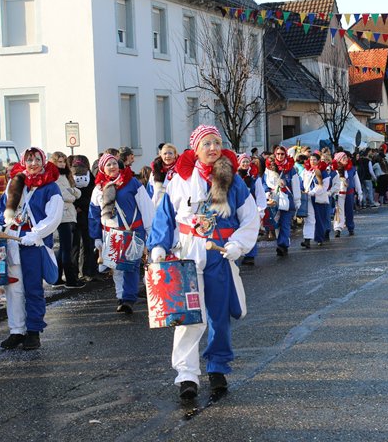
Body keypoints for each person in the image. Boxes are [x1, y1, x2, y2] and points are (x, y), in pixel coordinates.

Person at [147, 125, 259, 400]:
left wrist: (238, 244)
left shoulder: (233, 180)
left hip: (219, 252)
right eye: (206, 143)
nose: (212, 148)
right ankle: (186, 374)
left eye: (216, 143)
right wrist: (159, 245)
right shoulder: (180, 178)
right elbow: (165, 214)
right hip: (187, 252)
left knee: (219, 315)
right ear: (195, 148)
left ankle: (217, 366)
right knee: (189, 316)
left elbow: (250, 217)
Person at [0, 148, 64, 350]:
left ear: (43, 162)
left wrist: (35, 235)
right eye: (29, 159)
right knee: (13, 288)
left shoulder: (51, 188)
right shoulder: (14, 183)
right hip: (12, 241)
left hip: (35, 243)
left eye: (36, 159)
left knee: (33, 288)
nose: (32, 163)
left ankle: (33, 331)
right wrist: (0, 224)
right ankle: (17, 330)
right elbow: (3, 208)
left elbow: (54, 217)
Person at [89, 153, 154, 314]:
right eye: (108, 164)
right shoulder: (98, 189)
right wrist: (96, 237)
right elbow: (94, 214)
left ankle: (129, 299)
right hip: (111, 233)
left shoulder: (132, 183)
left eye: (114, 163)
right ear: (102, 168)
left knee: (131, 266)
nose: (112, 167)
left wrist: (149, 231)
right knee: (116, 268)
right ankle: (120, 296)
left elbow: (146, 207)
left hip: (132, 230)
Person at [49, 152, 83, 288]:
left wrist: (73, 193)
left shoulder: (66, 176)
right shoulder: (54, 178)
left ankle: (56, 278)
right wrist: (73, 194)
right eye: (59, 162)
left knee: (64, 248)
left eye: (63, 162)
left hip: (70, 214)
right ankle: (70, 280)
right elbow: (64, 195)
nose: (62, 164)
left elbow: (77, 192)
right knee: (66, 249)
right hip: (62, 215)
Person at [265, 146, 300, 256]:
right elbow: (264, 183)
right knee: (276, 223)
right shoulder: (269, 168)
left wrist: (297, 200)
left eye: (282, 154)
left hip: (287, 200)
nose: (280, 156)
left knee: (285, 223)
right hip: (274, 200)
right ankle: (283, 242)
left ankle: (282, 245)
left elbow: (296, 185)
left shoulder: (290, 168)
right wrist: (267, 193)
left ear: (285, 155)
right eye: (278, 154)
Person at [69, 155, 99, 282]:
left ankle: (75, 273)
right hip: (86, 214)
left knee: (74, 245)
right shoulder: (90, 176)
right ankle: (87, 271)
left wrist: (75, 206)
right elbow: (92, 195)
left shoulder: (70, 176)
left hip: (74, 214)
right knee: (87, 244)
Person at [237, 153, 266, 265]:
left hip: (251, 207)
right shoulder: (235, 176)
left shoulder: (255, 178)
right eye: (243, 162)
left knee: (250, 230)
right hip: (238, 207)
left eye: (247, 162)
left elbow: (260, 194)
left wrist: (260, 210)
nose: (245, 164)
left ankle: (250, 255)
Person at [332, 152, 362, 237]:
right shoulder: (334, 169)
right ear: (338, 160)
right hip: (339, 193)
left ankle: (350, 227)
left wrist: (359, 192)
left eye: (346, 158)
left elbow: (357, 181)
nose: (346, 159)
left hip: (349, 193)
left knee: (349, 211)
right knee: (339, 211)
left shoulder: (351, 169)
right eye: (343, 158)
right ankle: (338, 228)